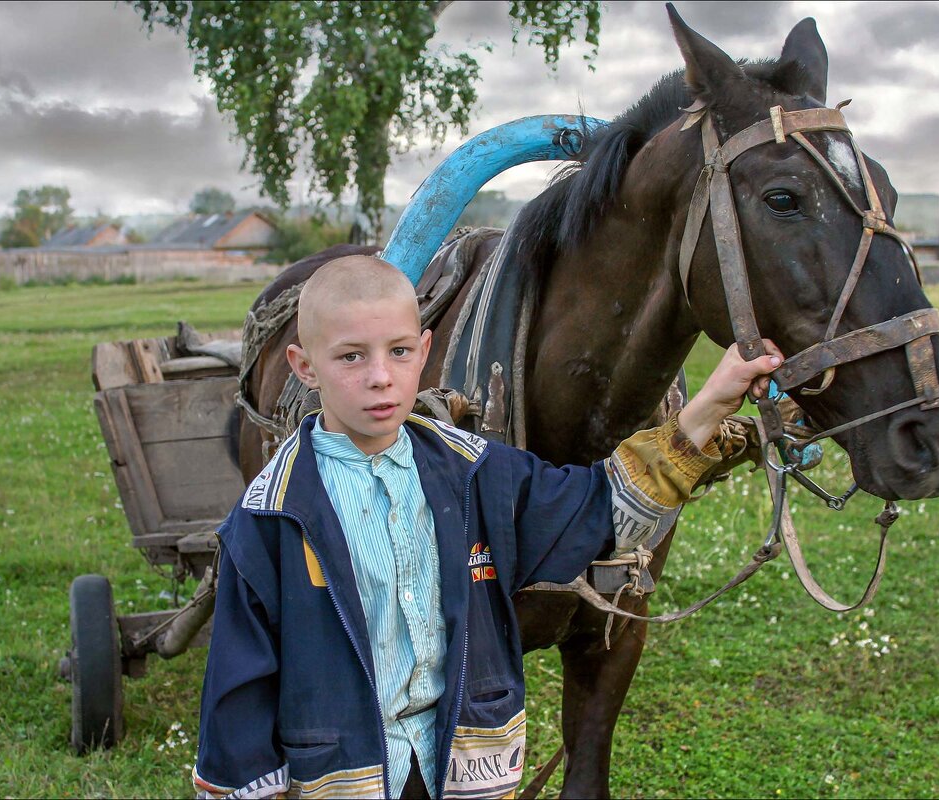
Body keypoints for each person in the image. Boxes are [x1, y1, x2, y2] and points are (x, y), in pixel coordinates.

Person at [194, 255, 782, 800]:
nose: (381, 377)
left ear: (424, 350)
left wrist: (712, 401)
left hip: (457, 772)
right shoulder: (269, 518)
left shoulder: (476, 472)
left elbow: (598, 503)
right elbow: (237, 697)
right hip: (341, 780)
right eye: (351, 357)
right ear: (304, 367)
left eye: (399, 351)